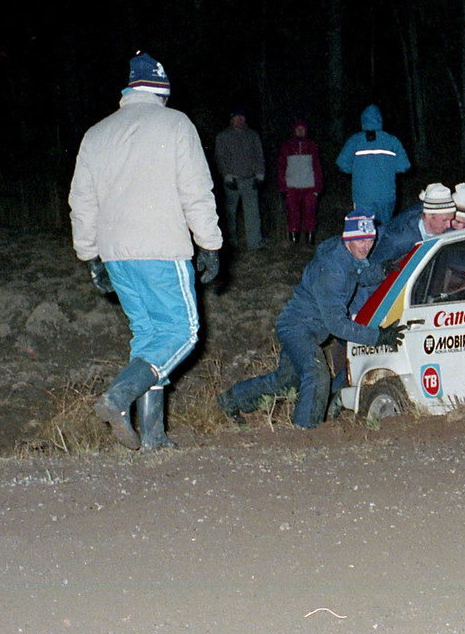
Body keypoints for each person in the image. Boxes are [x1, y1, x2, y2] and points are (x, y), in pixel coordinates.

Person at [68, 52, 223, 451]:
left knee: (150, 336)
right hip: (161, 248)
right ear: (162, 91)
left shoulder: (96, 133)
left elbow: (81, 202)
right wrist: (210, 243)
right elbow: (196, 190)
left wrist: (90, 257)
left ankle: (153, 436)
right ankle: (119, 395)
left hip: (116, 254)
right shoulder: (176, 124)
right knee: (183, 334)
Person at [217, 211, 404, 429]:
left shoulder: (347, 256)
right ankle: (305, 435)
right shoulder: (332, 269)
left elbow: (359, 274)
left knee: (285, 383)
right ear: (348, 238)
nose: (366, 246)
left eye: (370, 240)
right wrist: (377, 337)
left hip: (307, 328)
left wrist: (382, 270)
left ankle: (229, 400)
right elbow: (337, 324)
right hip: (298, 328)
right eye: (361, 240)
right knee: (317, 377)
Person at [336, 104, 411, 224]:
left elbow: (342, 164)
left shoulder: (355, 141)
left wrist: (359, 170)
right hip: (386, 195)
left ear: (363, 120)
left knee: (364, 231)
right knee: (385, 228)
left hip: (362, 196)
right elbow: (404, 166)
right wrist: (386, 168)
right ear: (380, 120)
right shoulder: (392, 141)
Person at [215, 106, 265, 251]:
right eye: (236, 118)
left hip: (250, 180)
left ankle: (254, 245)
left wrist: (260, 175)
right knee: (229, 215)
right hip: (232, 181)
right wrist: (226, 176)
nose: (239, 121)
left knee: (252, 215)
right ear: (231, 120)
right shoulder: (223, 136)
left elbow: (259, 156)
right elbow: (220, 157)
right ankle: (230, 245)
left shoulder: (252, 135)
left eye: (241, 118)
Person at [277, 118, 323, 244]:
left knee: (310, 214)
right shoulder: (287, 147)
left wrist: (317, 188)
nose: (300, 132)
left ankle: (310, 241)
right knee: (293, 214)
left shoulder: (312, 146)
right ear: (294, 131)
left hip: (309, 186)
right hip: (292, 186)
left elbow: (317, 168)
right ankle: (294, 241)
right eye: (298, 129)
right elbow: (281, 168)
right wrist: (283, 187)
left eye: (303, 129)